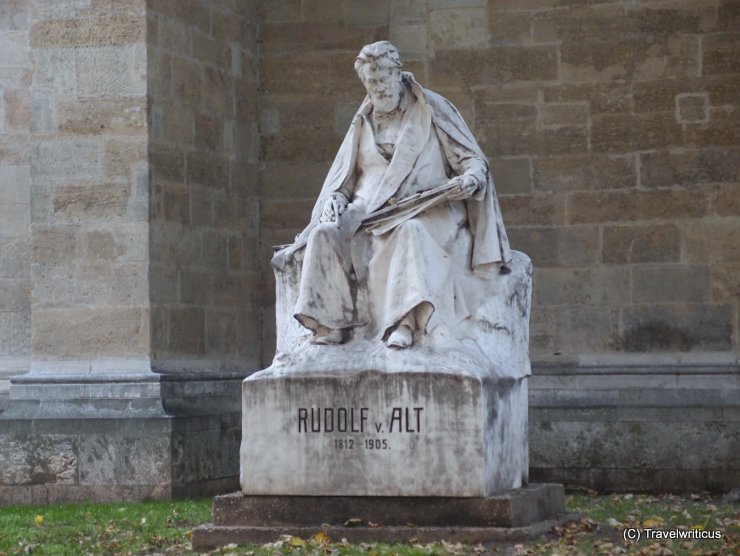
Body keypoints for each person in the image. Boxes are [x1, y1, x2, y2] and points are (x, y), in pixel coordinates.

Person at [272, 41, 510, 349]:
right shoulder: (363, 121)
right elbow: (346, 179)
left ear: (398, 74)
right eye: (371, 83)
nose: (378, 89)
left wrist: (471, 179)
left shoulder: (432, 110)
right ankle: (330, 323)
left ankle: (405, 323)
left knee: (409, 232)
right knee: (324, 234)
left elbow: (472, 160)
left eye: (383, 80)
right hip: (368, 212)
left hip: (425, 209)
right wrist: (337, 198)